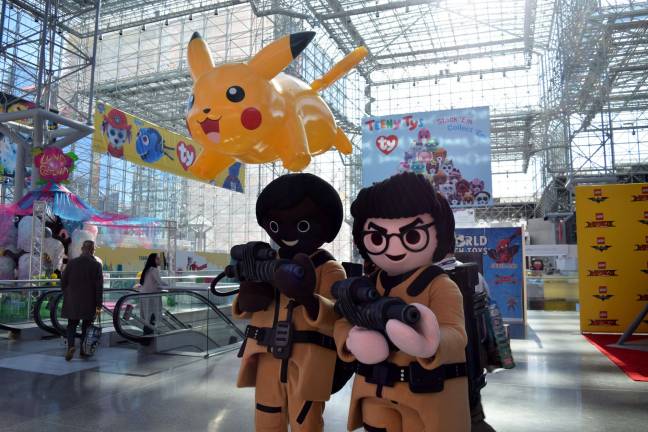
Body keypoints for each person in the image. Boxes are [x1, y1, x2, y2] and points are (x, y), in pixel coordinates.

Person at [334, 172, 470, 432]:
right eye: (378, 238)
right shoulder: (367, 285)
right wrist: (351, 338)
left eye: (412, 236)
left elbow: (456, 332)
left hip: (424, 395)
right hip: (373, 393)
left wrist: (429, 342)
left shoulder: (439, 285)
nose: (394, 248)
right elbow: (342, 319)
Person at [232, 173, 347, 432]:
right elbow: (246, 308)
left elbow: (338, 316)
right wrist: (250, 288)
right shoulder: (266, 263)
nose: (286, 232)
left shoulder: (328, 268)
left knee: (306, 422)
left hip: (307, 363)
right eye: (275, 224)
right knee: (267, 419)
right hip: (265, 359)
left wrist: (307, 298)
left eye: (302, 225)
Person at [61, 240, 103, 361]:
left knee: (71, 325)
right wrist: (99, 304)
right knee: (86, 326)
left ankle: (71, 346)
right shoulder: (96, 265)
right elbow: (98, 287)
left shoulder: (72, 263)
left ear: (82, 249)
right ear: (92, 250)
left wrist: (67, 293)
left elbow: (63, 281)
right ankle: (83, 351)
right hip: (89, 301)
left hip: (72, 300)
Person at [139, 253, 168, 334]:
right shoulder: (154, 270)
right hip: (151, 297)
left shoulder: (147, 269)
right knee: (151, 316)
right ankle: (150, 335)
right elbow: (160, 282)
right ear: (153, 260)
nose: (159, 260)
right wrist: (170, 287)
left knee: (147, 317)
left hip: (144, 296)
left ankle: (146, 334)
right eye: (157, 258)